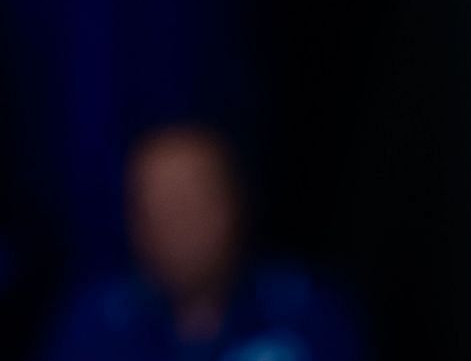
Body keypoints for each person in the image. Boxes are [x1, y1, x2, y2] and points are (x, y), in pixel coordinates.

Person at [39, 122, 369, 361]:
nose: (175, 227)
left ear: (235, 205)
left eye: (189, 204)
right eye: (155, 208)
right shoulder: (94, 329)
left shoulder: (308, 314)